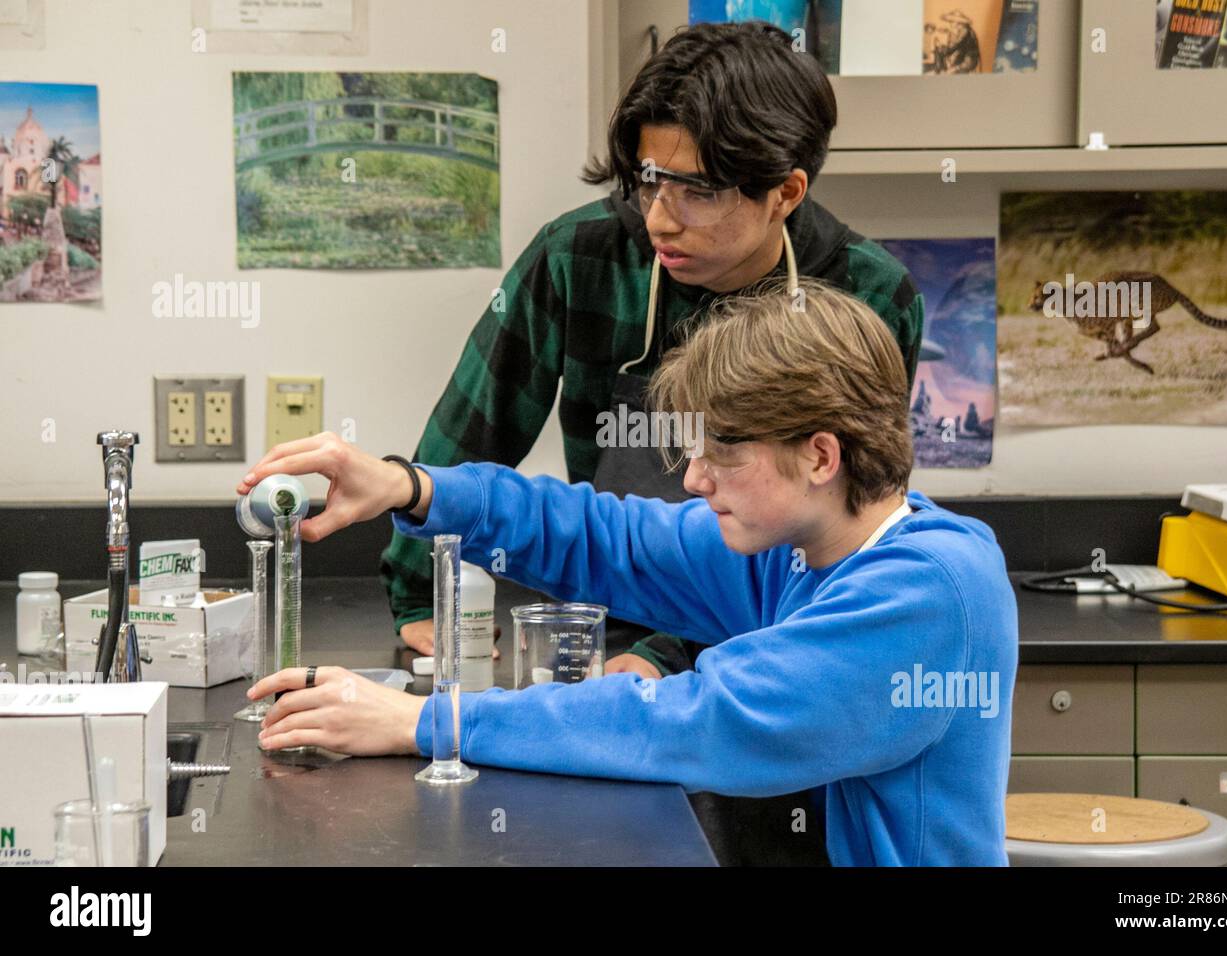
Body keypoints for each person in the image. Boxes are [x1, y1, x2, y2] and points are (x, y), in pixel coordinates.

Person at [240, 282, 1018, 867]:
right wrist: (415, 488)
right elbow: (610, 538)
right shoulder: (804, 546)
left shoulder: (929, 590)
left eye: (724, 455)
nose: (693, 480)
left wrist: (424, 721)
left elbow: (695, 719)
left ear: (820, 455)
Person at [379, 20, 924, 683]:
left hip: (774, 636)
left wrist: (671, 653)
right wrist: (419, 589)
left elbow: (843, 527)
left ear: (785, 192)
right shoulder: (579, 258)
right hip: (602, 621)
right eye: (648, 181)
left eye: (698, 192)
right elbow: (475, 428)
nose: (662, 218)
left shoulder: (866, 296)